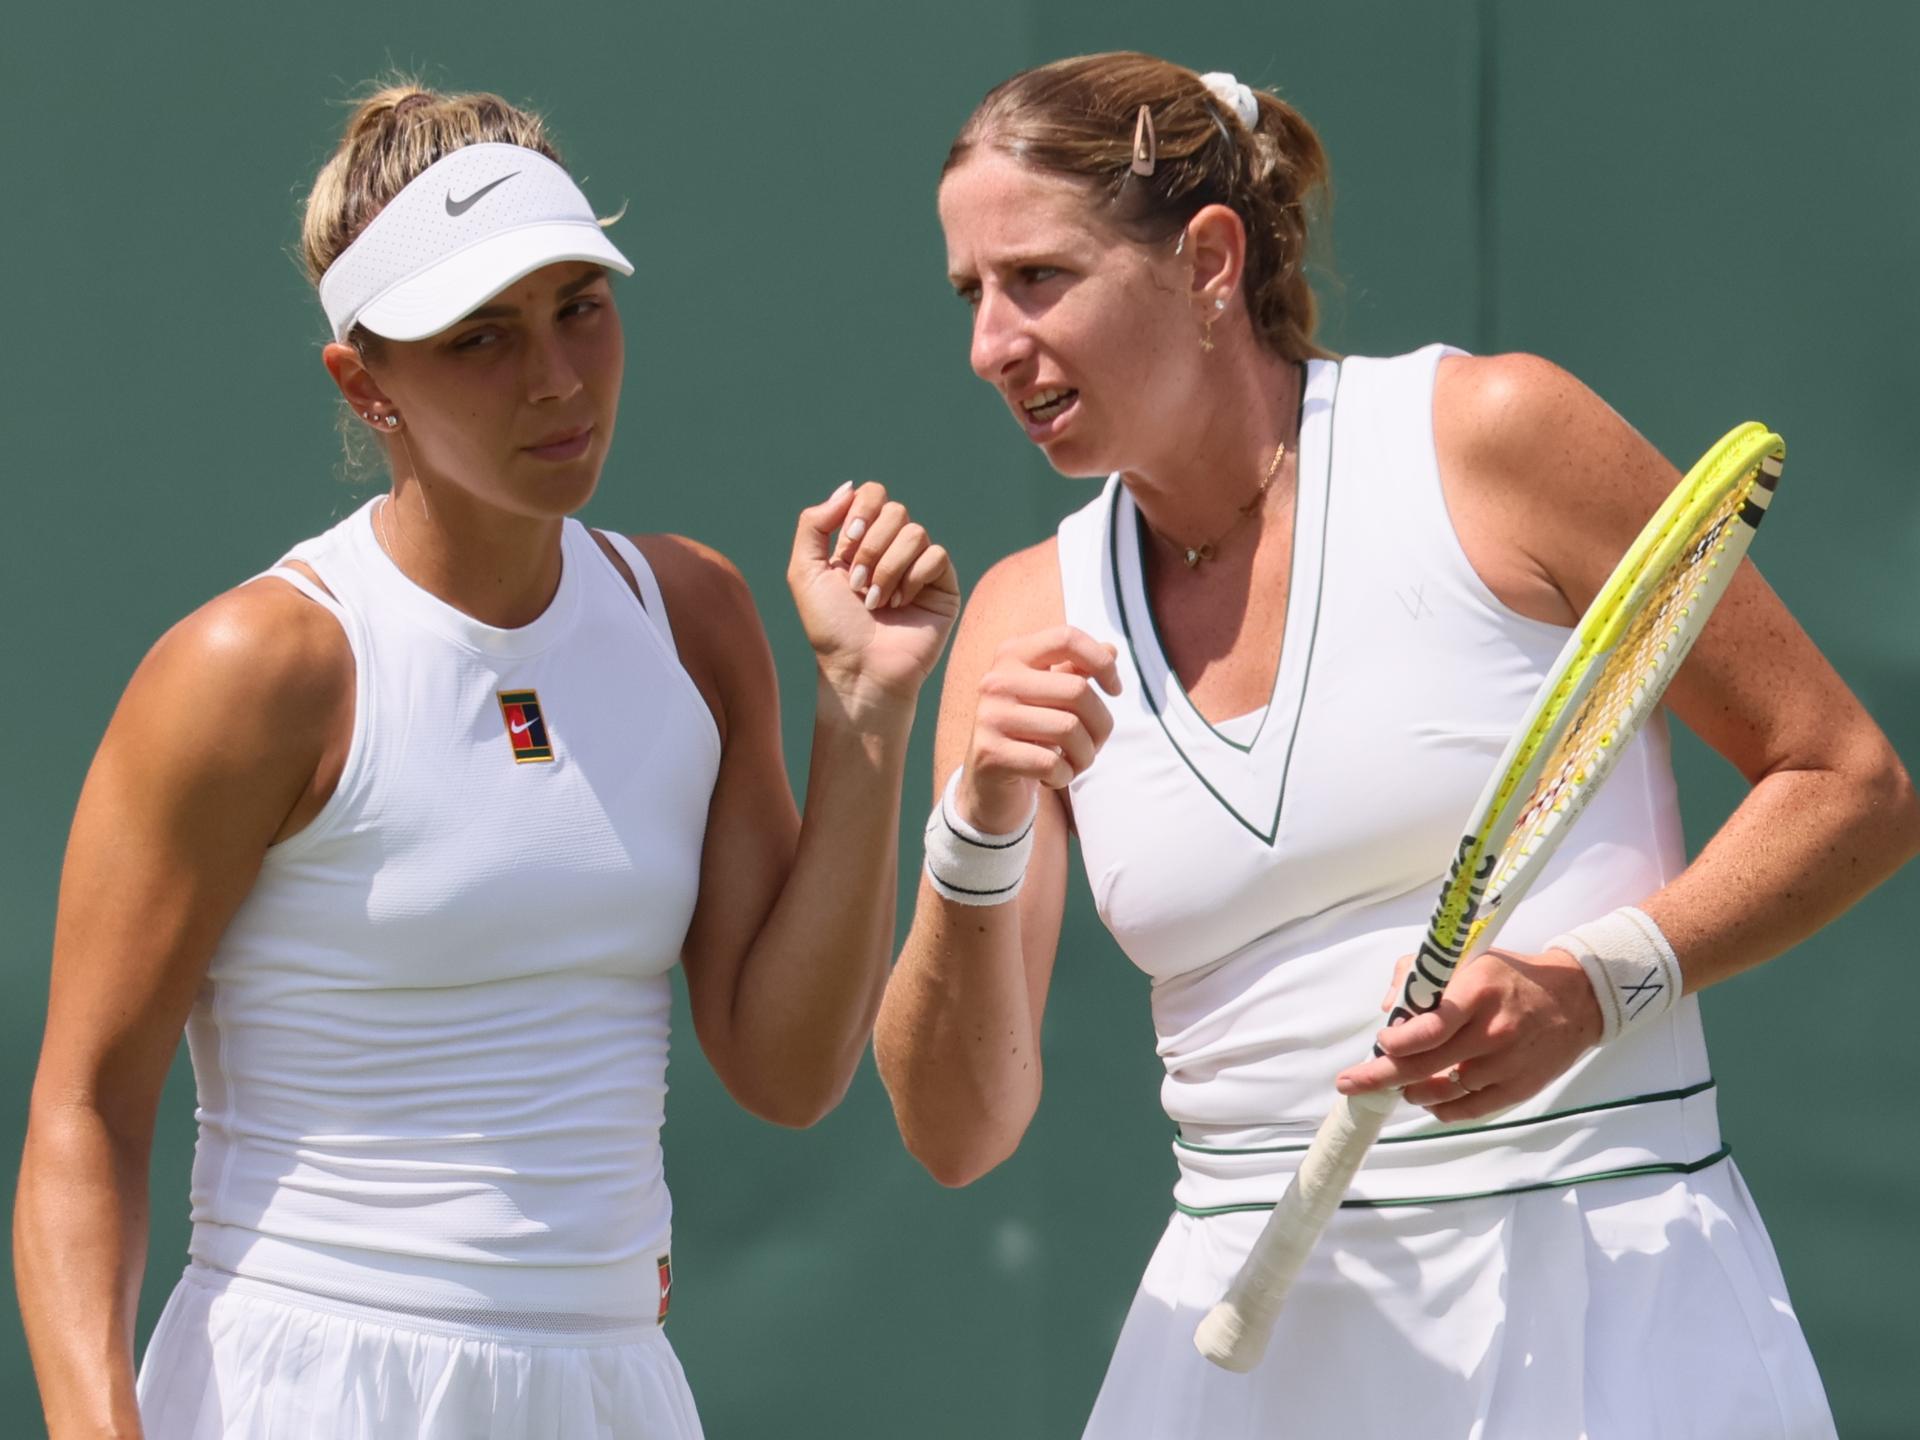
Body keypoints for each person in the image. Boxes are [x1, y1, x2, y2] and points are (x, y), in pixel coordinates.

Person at [875, 51, 1918, 1439]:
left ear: (1205, 259)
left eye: (1038, 279)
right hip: (1234, 1349)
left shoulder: (1496, 436)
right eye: (971, 295)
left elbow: (1849, 783)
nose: (991, 345)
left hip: (1608, 1309)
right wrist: (978, 825)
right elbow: (957, 1133)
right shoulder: (1020, 617)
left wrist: (1592, 986)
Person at [15, 83, 957, 1440]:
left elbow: (789, 1070)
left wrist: (865, 717)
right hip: (307, 1390)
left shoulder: (688, 615)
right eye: (480, 339)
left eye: (581, 305)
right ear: (364, 383)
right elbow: (83, 1115)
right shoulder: (258, 670)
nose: (558, 377)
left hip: (615, 1386)